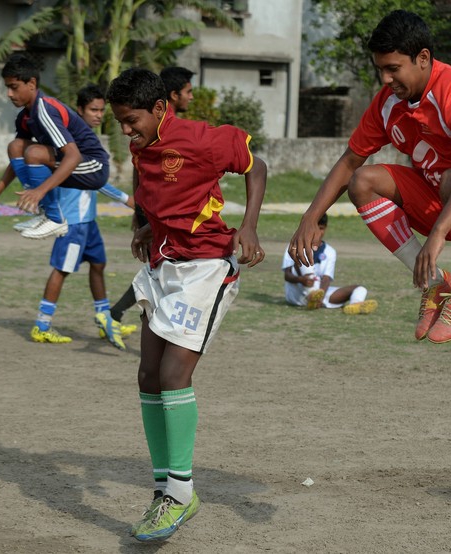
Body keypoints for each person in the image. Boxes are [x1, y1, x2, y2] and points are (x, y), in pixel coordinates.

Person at [288, 10, 451, 344]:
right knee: (363, 181)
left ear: (423, 58)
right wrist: (311, 215)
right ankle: (437, 284)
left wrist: (437, 234)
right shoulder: (386, 104)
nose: (385, 79)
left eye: (393, 68)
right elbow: (350, 162)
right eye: (380, 69)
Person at [106, 67, 266, 542]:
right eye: (119, 121)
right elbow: (163, 197)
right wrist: (148, 227)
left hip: (205, 268)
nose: (126, 130)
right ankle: (164, 492)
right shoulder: (141, 146)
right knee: (147, 374)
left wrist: (250, 226)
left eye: (131, 119)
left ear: (160, 109)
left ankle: (180, 494)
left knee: (175, 374)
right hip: (163, 265)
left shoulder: (200, 139)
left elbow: (256, 166)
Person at [25, 84, 137, 349]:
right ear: (79, 111)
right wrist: (127, 199)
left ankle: (104, 319)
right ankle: (42, 325)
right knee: (62, 270)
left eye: (101, 110)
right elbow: (97, 181)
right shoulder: (67, 144)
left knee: (98, 265)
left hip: (89, 221)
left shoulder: (89, 141)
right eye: (93, 110)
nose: (98, 115)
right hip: (72, 222)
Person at [108, 66, 197, 327]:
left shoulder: (183, 131)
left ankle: (124, 314)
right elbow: (140, 172)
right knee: (157, 271)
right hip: (156, 217)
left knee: (160, 271)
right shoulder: (147, 132)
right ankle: (140, 320)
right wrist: (141, 213)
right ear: (172, 96)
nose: (191, 97)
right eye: (188, 92)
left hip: (173, 218)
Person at [0, 53, 110, 240]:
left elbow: (73, 156)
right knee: (16, 146)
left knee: (34, 152)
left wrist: (40, 190)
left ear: (32, 84)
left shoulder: (45, 109)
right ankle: (46, 214)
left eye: (14, 87)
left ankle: (55, 219)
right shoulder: (25, 116)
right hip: (72, 164)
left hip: (94, 166)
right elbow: (17, 156)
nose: (9, 94)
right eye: (7, 87)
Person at [283, 213, 378, 314]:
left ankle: (355, 305)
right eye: (315, 228)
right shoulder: (295, 245)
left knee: (360, 289)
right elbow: (287, 275)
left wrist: (321, 296)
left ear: (326, 228)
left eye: (321, 228)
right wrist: (301, 280)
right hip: (297, 294)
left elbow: (326, 278)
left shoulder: (330, 251)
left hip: (320, 293)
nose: (318, 232)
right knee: (302, 254)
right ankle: (311, 295)